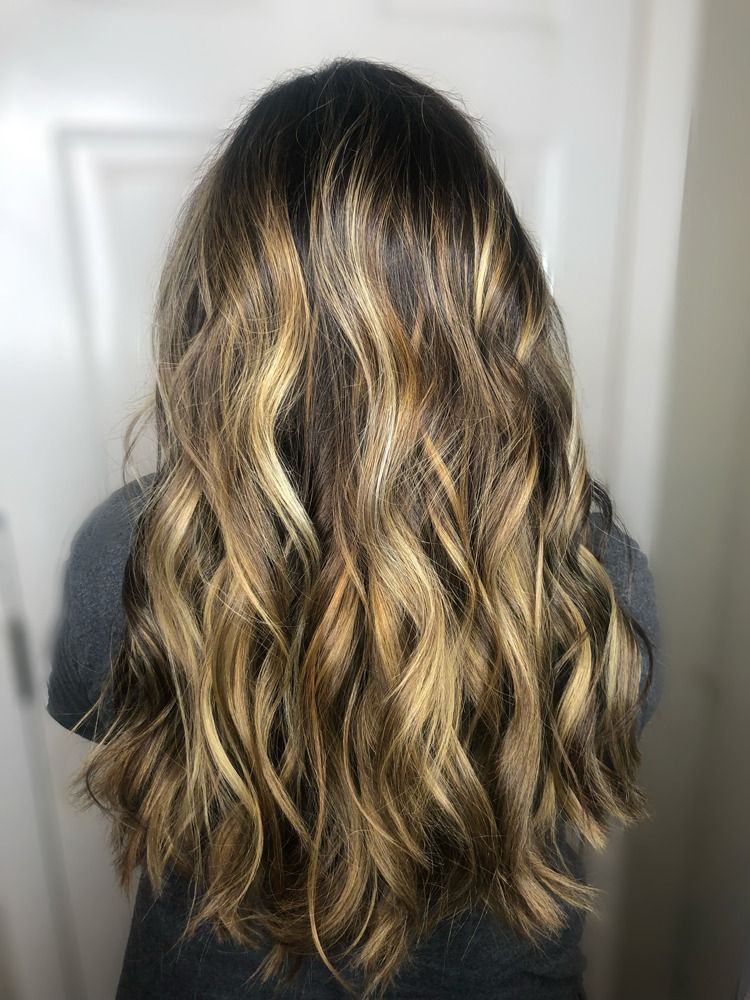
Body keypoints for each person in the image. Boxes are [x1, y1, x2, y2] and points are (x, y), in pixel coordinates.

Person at [46, 57, 661, 1000]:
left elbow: (110, 730)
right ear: (491, 298)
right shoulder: (592, 572)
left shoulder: (131, 556)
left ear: (221, 302)